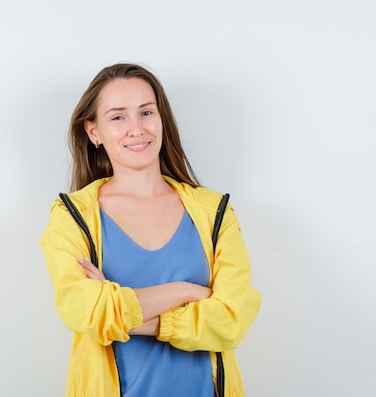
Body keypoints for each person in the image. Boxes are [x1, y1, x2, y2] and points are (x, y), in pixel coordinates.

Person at [40, 63, 261, 397]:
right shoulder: (72, 217)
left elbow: (231, 320)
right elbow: (86, 311)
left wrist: (121, 314)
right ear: (93, 132)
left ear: (161, 121)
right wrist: (187, 291)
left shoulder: (214, 213)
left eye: (146, 112)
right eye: (117, 117)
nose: (136, 128)